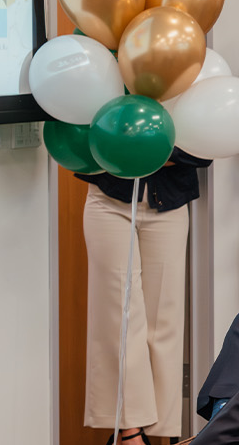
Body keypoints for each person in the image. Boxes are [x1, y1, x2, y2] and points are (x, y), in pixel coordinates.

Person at [77, 148, 211, 444]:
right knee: (119, 318)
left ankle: (160, 435)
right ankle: (130, 433)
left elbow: (204, 151)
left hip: (170, 203)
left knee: (164, 325)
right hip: (109, 201)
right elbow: (84, 138)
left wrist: (152, 151)